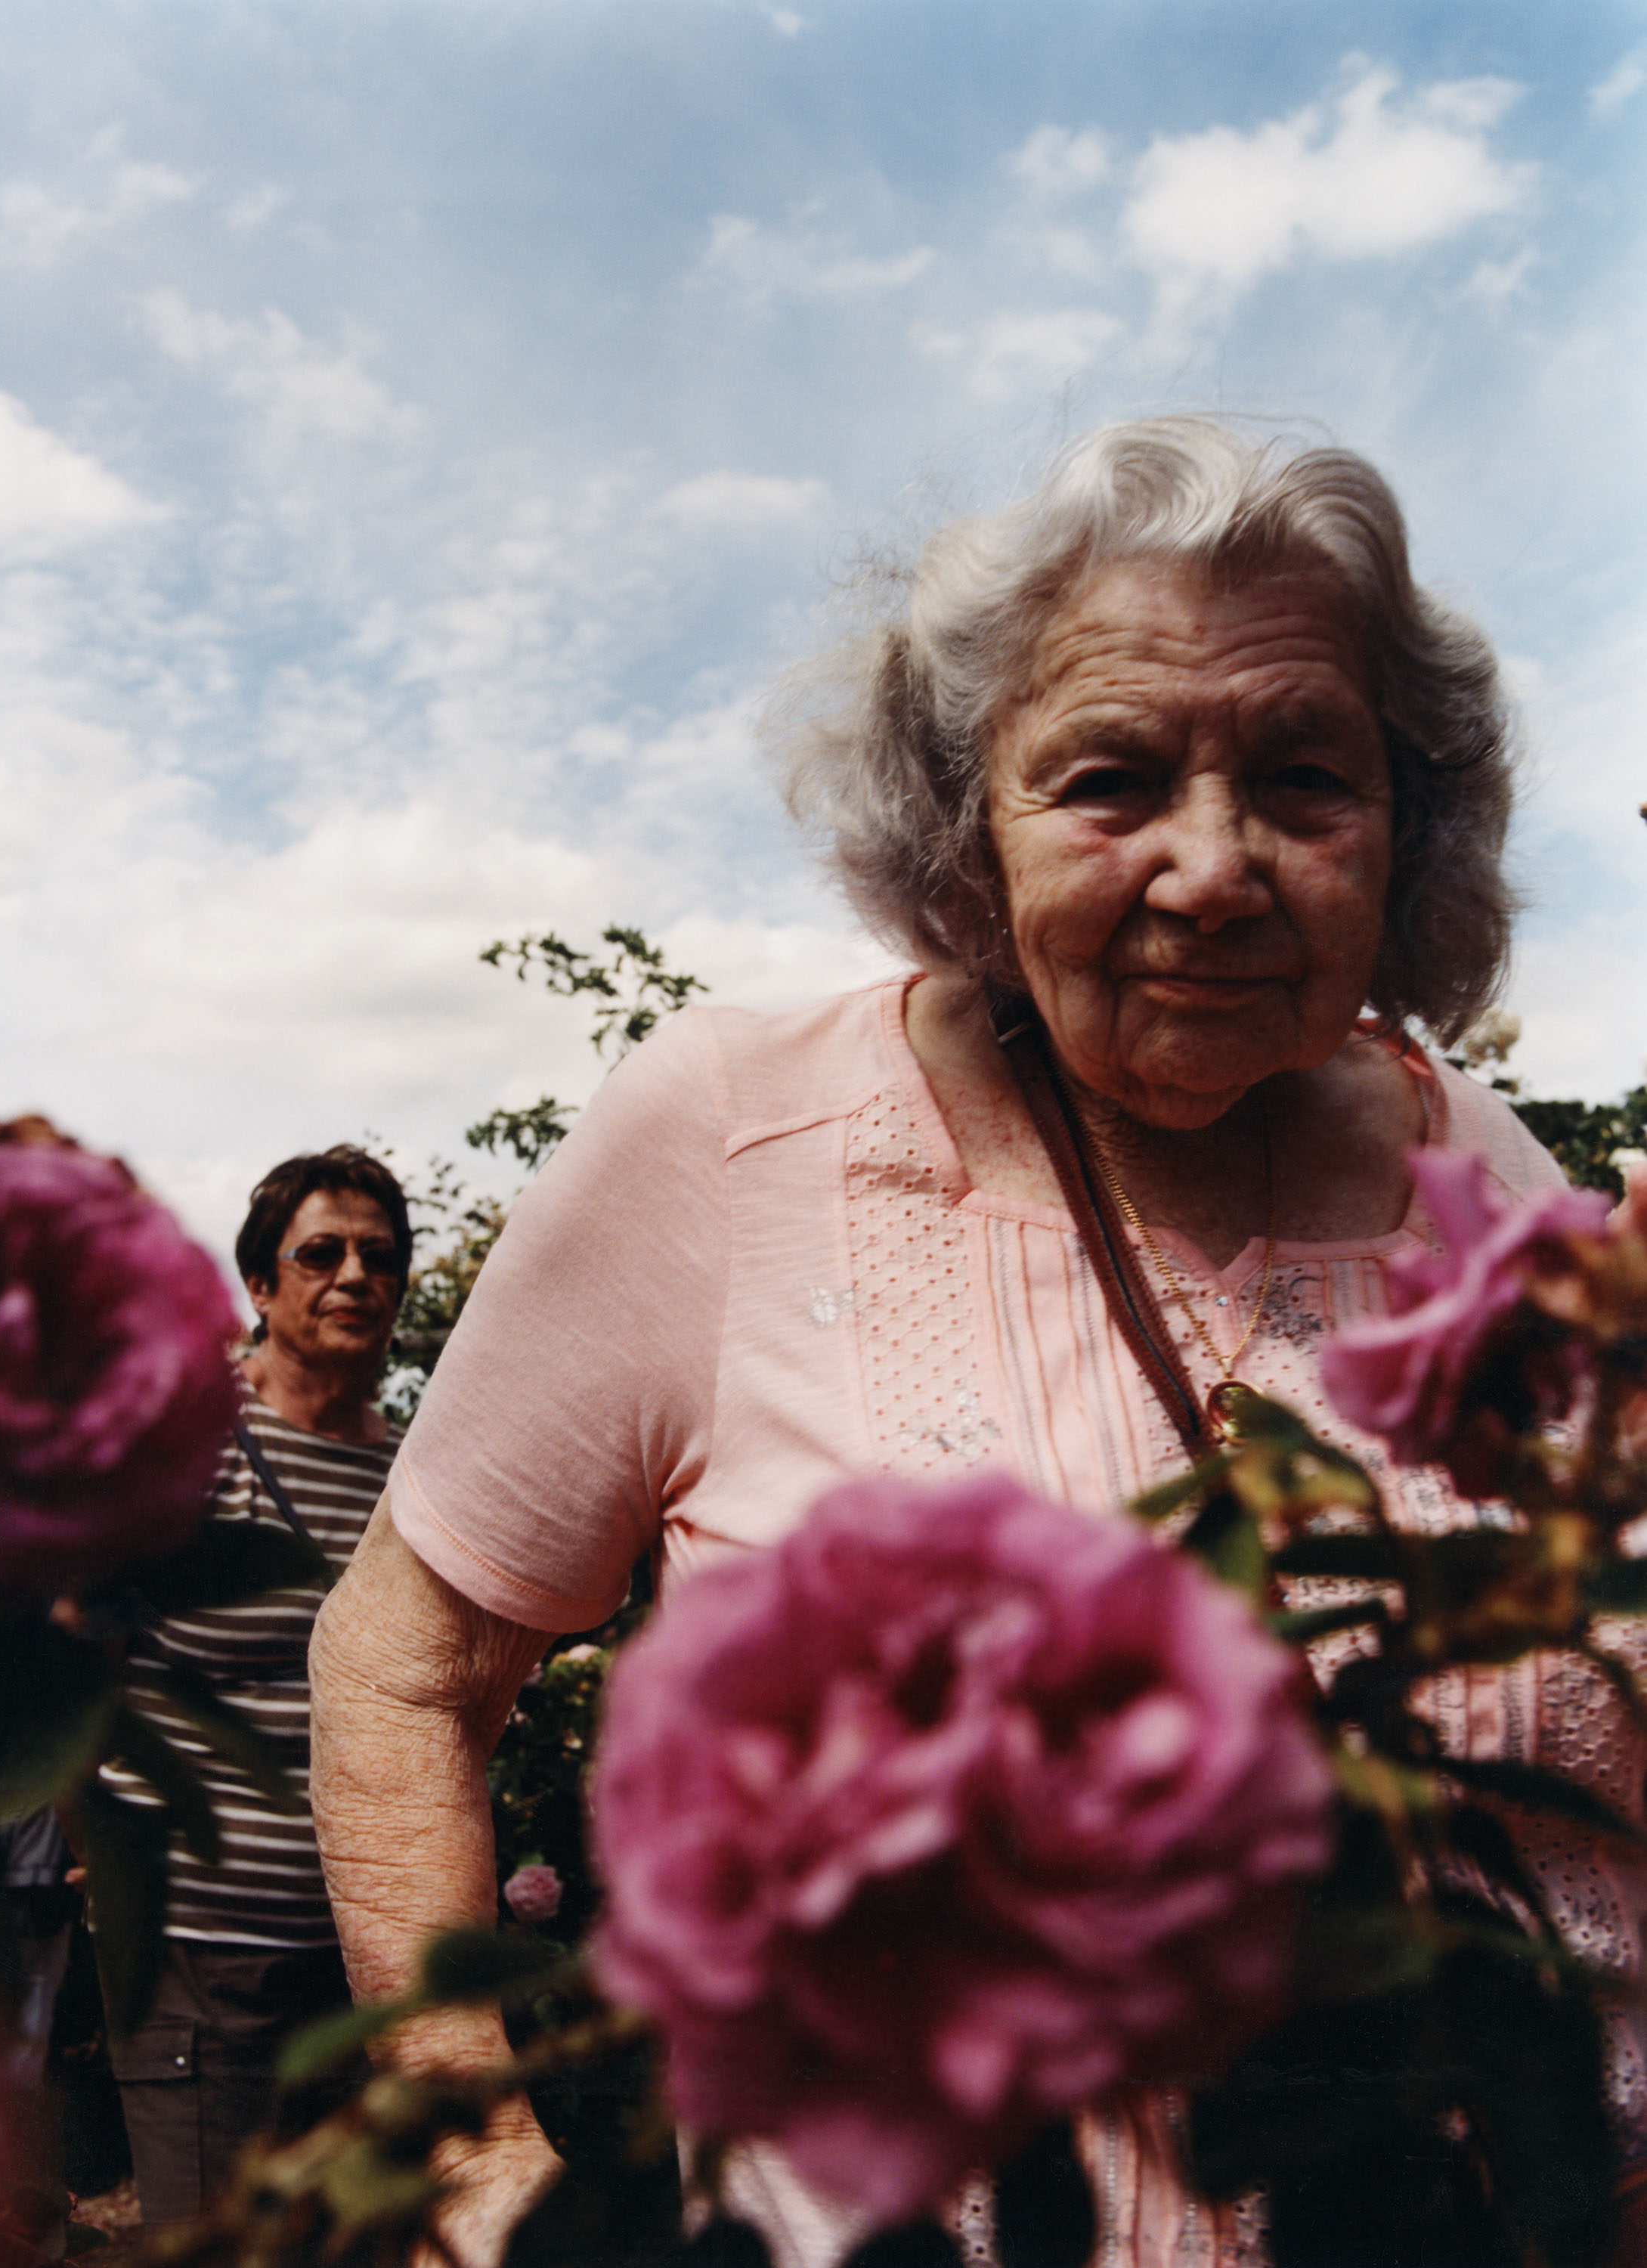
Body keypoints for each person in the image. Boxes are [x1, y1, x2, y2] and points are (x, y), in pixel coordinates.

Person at [308, 419, 1647, 2267]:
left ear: (1407, 817)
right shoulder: (736, 1130)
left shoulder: (1487, 1178)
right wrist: (477, 2163)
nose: (1214, 867)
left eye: (1306, 778)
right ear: (964, 819)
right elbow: (401, 1666)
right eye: (1110, 779)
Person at [105, 1144, 409, 2230]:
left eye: (380, 1256)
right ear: (261, 1287)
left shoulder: (413, 1477)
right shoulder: (189, 1445)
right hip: (203, 1953)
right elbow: (72, 1647)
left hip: (362, 1961)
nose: (354, 1276)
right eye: (320, 1253)